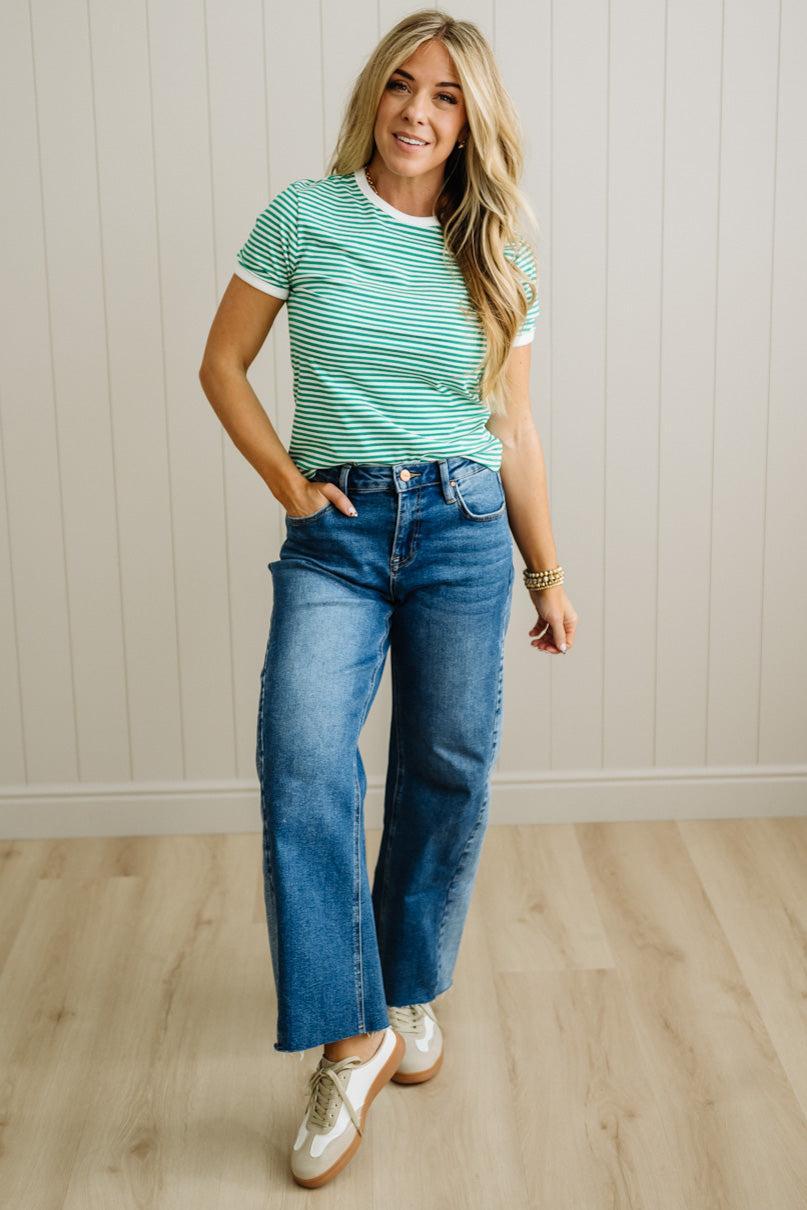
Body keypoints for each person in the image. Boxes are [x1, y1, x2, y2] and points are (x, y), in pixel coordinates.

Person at [199, 7, 578, 1190]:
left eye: (447, 96)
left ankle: (408, 984)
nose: (418, 111)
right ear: (375, 93)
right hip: (340, 532)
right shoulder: (302, 217)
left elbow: (513, 427)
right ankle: (348, 1034)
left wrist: (547, 569)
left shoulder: (500, 247)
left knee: (446, 764)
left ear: (473, 122)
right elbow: (221, 361)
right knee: (305, 758)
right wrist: (288, 483)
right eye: (403, 85)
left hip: (464, 528)